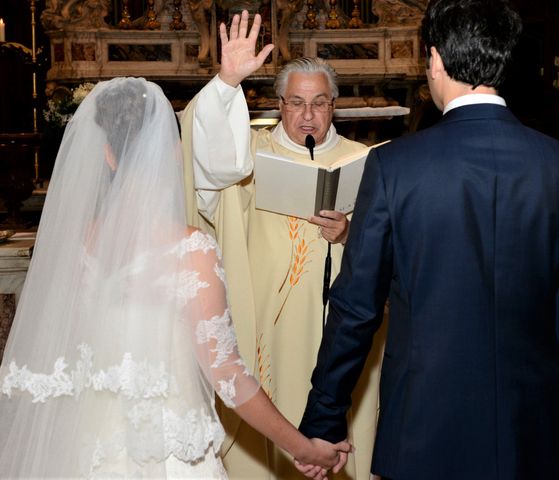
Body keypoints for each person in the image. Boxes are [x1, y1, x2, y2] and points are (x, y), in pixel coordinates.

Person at [298, 0, 559, 479]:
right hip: (534, 437)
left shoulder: (395, 166)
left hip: (423, 431)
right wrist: (549, 418)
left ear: (436, 60)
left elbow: (356, 307)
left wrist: (324, 418)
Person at [0, 77, 350, 479]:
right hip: (169, 452)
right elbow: (228, 377)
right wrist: (304, 447)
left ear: (108, 155)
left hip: (84, 447)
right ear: (172, 150)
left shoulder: (76, 242)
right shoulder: (189, 250)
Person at [180, 10, 386, 479]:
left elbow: (400, 254)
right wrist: (227, 83)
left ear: (335, 105)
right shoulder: (245, 157)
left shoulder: (368, 161)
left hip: (346, 332)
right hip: (267, 331)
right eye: (295, 103)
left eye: (319, 103)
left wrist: (351, 235)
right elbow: (205, 159)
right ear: (278, 104)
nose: (308, 115)